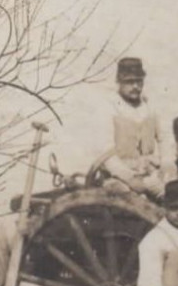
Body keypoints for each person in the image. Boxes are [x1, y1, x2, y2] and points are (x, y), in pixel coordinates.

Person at [67, 56, 164, 195]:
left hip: (148, 172)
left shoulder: (149, 106)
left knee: (172, 193)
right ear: (119, 81)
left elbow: (164, 138)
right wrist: (130, 178)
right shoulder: (108, 108)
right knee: (132, 202)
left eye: (139, 81)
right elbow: (107, 154)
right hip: (118, 177)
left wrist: (167, 163)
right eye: (130, 82)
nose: (135, 86)